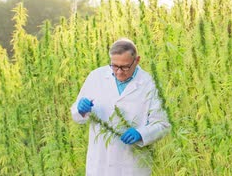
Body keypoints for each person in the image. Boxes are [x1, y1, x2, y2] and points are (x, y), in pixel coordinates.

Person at [71, 38, 170, 176]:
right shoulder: (96, 77)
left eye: (124, 67)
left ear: (137, 60)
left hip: (132, 164)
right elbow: (76, 114)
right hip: (100, 163)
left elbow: (163, 124)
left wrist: (141, 134)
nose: (118, 72)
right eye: (114, 66)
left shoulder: (149, 84)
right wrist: (80, 110)